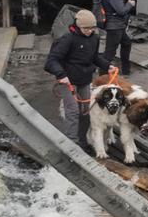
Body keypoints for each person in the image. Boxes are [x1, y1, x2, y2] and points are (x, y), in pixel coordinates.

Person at [45, 8, 111, 147]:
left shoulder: (94, 38)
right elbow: (52, 60)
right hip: (67, 80)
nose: (90, 31)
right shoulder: (68, 39)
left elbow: (94, 57)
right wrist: (61, 75)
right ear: (78, 26)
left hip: (84, 79)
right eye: (86, 28)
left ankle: (82, 140)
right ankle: (71, 143)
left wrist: (107, 65)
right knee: (73, 110)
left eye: (92, 28)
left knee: (86, 111)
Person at [94, 0, 135, 75]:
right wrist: (130, 4)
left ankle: (126, 71)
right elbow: (121, 10)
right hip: (114, 26)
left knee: (126, 43)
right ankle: (102, 75)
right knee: (109, 52)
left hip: (115, 24)